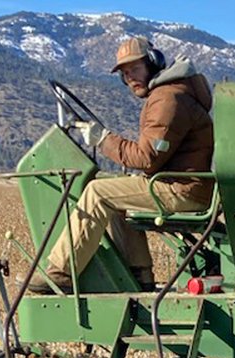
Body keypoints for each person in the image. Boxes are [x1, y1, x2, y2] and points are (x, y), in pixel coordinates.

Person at [31, 36, 214, 293]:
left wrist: (104, 140)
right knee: (110, 187)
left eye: (135, 70)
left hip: (182, 190)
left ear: (153, 63)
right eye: (125, 74)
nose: (130, 79)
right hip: (180, 184)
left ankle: (61, 273)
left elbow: (146, 158)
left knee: (97, 192)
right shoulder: (171, 93)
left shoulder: (167, 99)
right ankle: (140, 276)